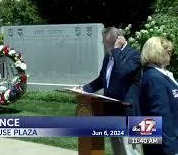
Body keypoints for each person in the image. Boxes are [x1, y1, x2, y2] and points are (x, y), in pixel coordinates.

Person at [74, 27, 142, 155]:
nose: (105, 47)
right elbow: (101, 80)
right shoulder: (109, 56)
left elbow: (122, 72)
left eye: (108, 44)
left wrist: (116, 50)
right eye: (104, 44)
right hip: (112, 113)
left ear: (119, 41)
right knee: (118, 150)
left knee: (130, 152)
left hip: (128, 114)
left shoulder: (135, 55)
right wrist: (83, 89)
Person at [140, 36, 178, 155]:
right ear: (157, 52)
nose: (170, 54)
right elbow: (160, 115)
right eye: (168, 51)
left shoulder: (161, 75)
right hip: (164, 145)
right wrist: (170, 150)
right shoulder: (154, 77)